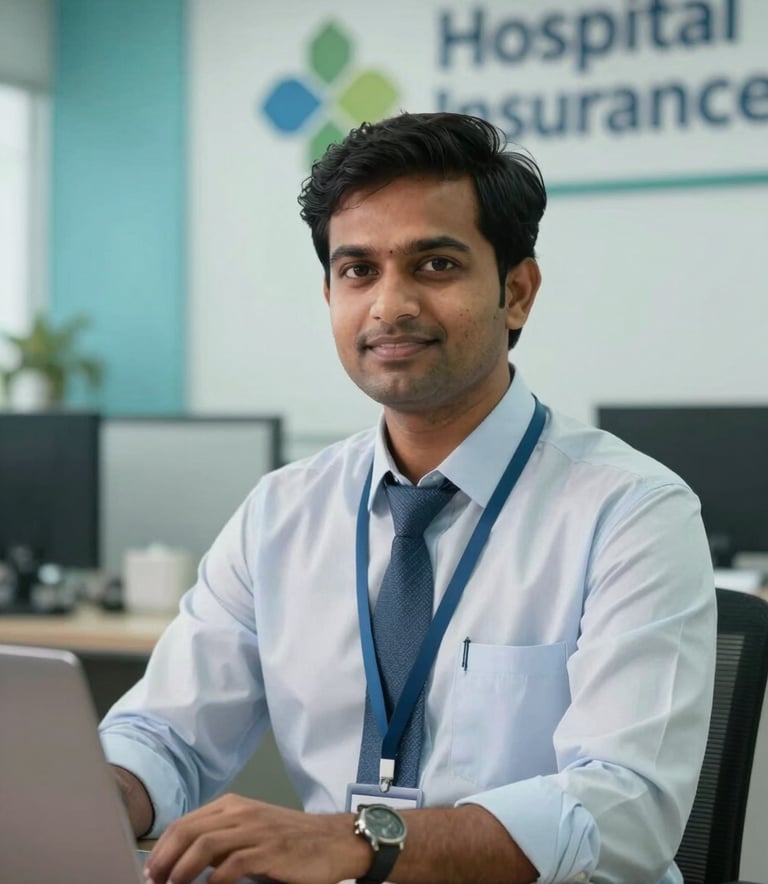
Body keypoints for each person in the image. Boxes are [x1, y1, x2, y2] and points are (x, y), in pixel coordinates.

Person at [100, 112, 716, 884]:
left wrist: (361, 841)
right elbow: (166, 734)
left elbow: (624, 808)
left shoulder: (631, 513)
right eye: (358, 270)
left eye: (434, 266)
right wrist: (101, 789)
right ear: (329, 292)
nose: (390, 306)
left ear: (516, 292)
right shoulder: (282, 512)